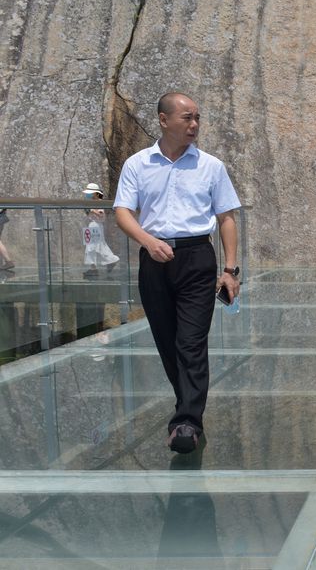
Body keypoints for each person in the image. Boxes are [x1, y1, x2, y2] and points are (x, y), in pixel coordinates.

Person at [114, 92, 242, 454]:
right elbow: (123, 211)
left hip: (197, 258)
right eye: (187, 117)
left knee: (191, 342)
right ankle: (185, 404)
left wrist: (230, 270)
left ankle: (187, 422)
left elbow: (226, 218)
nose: (194, 125)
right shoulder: (138, 164)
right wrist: (147, 241)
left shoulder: (211, 166)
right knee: (168, 341)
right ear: (163, 120)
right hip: (153, 259)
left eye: (197, 118)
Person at [81, 183, 119, 277]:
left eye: (90, 193)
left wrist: (92, 210)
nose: (88, 195)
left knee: (93, 246)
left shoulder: (99, 202)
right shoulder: (91, 202)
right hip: (93, 225)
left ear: (95, 193)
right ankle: (99, 265)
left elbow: (101, 215)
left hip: (96, 225)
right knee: (96, 246)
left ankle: (103, 264)